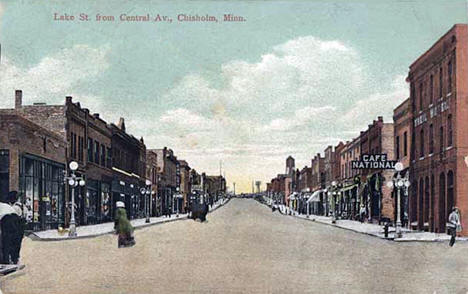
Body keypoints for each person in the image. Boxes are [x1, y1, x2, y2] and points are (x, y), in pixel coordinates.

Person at [0, 191, 24, 264]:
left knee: (6, 241)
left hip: (7, 220)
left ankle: (6, 261)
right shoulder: (6, 205)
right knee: (15, 240)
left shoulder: (4, 206)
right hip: (16, 220)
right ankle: (14, 259)